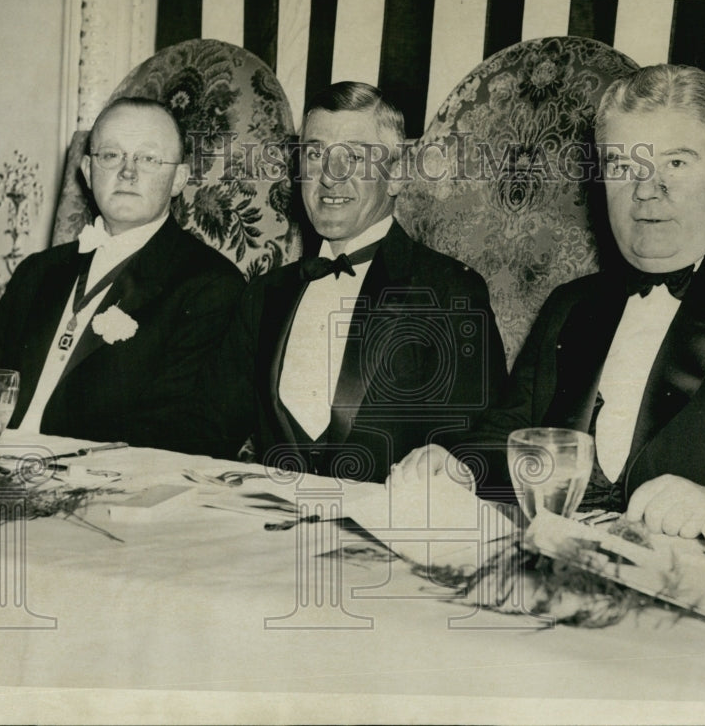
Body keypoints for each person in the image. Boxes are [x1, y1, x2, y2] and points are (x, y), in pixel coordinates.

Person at [398, 64, 705, 531]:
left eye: (676, 162)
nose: (646, 190)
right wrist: (459, 468)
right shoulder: (571, 304)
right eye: (623, 166)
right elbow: (506, 438)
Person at [180, 82, 507, 484]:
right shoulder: (263, 295)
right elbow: (202, 433)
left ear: (396, 175)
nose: (330, 177)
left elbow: (479, 449)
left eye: (354, 156)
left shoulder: (449, 290)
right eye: (315, 154)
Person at [0, 97, 246, 448]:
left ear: (178, 179)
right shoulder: (38, 271)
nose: (127, 172)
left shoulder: (210, 286)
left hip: (102, 476)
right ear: (87, 170)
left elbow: (188, 433)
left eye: (148, 159)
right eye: (111, 155)